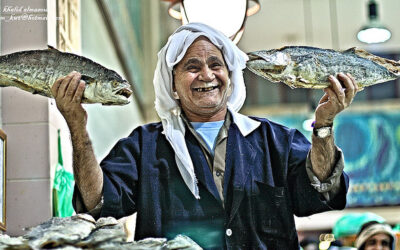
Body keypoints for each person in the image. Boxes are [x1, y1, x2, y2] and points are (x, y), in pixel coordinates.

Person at [51, 23, 358, 249]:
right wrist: (78, 127)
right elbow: (97, 201)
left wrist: (324, 125)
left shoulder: (275, 139)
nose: (207, 76)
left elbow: (322, 190)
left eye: (215, 65)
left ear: (231, 75)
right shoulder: (144, 146)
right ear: (172, 83)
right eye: (192, 67)